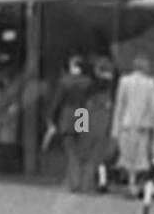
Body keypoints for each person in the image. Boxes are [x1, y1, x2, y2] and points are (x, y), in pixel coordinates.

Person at [111, 54, 154, 197]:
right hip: (143, 125)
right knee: (140, 156)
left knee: (128, 155)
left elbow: (120, 105)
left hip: (126, 123)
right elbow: (153, 106)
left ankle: (131, 183)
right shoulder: (151, 83)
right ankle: (135, 184)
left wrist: (115, 128)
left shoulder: (124, 81)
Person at [47, 55, 95, 193]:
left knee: (70, 149)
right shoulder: (87, 82)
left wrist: (51, 117)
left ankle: (74, 181)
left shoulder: (64, 81)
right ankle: (81, 180)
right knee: (80, 148)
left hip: (68, 114)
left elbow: (57, 101)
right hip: (82, 113)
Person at [84, 57, 116, 192]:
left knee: (90, 154)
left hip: (92, 121)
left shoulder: (90, 86)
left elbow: (84, 106)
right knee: (101, 154)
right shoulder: (112, 87)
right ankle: (102, 181)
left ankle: (88, 183)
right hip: (105, 121)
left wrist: (80, 126)